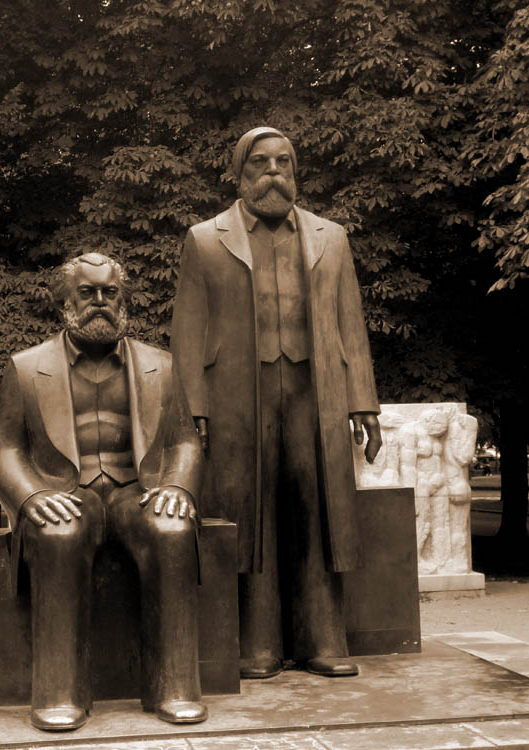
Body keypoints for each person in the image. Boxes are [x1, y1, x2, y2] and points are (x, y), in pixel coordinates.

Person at [171, 126, 382, 680]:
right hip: (238, 394)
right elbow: (188, 333)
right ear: (240, 175)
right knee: (249, 512)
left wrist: (364, 401)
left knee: (318, 514)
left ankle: (323, 640)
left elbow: (350, 324)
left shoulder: (331, 237)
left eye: (283, 162)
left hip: (318, 392)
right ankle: (256, 644)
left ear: (295, 171)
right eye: (260, 163)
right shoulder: (204, 239)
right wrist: (191, 409)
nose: (273, 172)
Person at [0, 253, 206, 732]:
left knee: (172, 529)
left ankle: (175, 687)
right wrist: (29, 498)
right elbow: (3, 453)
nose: (100, 302)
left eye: (110, 293)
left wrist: (179, 486)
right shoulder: (25, 369)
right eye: (87, 293)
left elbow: (186, 439)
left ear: (123, 300)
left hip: (137, 490)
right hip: (66, 492)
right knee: (58, 532)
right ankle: (59, 694)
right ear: (66, 300)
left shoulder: (162, 366)